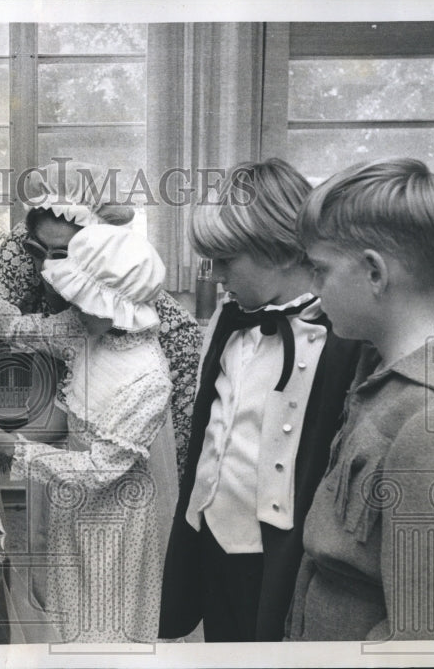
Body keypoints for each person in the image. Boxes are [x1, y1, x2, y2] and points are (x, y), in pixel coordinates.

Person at [0, 160, 200, 540]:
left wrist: (12, 448)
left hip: (124, 490)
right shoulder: (78, 325)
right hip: (83, 473)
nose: (47, 270)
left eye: (62, 256)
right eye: (38, 252)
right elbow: (27, 330)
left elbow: (104, 461)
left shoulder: (136, 330)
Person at [158, 158, 363, 642]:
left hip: (275, 556)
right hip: (210, 533)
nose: (215, 276)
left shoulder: (341, 337)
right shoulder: (229, 318)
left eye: (227, 261)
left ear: (284, 249)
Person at [0, 224, 172, 643]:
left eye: (84, 300)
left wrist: (13, 448)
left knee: (104, 625)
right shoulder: (86, 329)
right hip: (73, 504)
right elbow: (25, 329)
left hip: (114, 519)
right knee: (70, 619)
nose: (73, 307)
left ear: (118, 306)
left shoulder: (147, 377)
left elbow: (101, 469)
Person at [285, 158, 434, 641]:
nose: (313, 287)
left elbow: (429, 637)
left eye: (321, 270)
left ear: (374, 272)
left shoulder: (431, 416)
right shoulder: (378, 369)